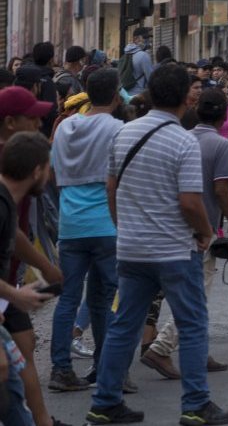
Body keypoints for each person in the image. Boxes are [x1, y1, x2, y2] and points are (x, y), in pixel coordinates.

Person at [88, 63, 228, 426]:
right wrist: (204, 233)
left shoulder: (124, 133)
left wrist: (125, 227)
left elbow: (110, 188)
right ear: (187, 97)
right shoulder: (183, 141)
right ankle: (196, 404)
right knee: (193, 323)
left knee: (123, 325)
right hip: (173, 251)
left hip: (132, 249)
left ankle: (105, 402)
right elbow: (189, 202)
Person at [141, 88, 228, 377]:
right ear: (224, 114)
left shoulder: (181, 138)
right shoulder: (220, 145)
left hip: (168, 227)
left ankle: (198, 350)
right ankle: (161, 348)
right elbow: (222, 191)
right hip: (201, 231)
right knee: (196, 296)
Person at [48, 69, 124, 393]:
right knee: (104, 299)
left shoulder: (65, 127)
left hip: (71, 224)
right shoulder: (119, 129)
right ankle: (105, 368)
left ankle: (61, 368)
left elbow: (53, 171)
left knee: (68, 298)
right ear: (116, 96)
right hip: (106, 224)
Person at [0, 133, 57, 426]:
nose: (50, 176)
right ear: (37, 171)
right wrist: (15, 294)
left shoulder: (7, 202)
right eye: (48, 168)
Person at [120, 28, 154, 96]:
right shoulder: (144, 56)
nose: (148, 40)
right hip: (139, 96)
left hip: (125, 95)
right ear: (135, 39)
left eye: (148, 38)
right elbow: (151, 79)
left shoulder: (125, 55)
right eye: (145, 37)